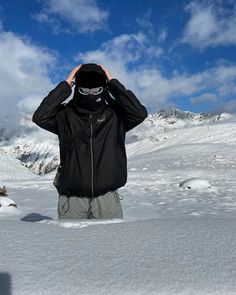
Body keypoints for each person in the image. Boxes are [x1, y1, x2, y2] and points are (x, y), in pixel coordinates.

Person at [32, 63, 148, 219]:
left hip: (107, 198)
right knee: (70, 243)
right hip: (72, 199)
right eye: (85, 90)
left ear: (103, 89)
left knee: (112, 243)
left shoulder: (114, 116)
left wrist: (113, 84)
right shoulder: (65, 115)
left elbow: (139, 113)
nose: (91, 94)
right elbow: (40, 116)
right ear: (77, 89)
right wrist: (66, 85)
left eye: (96, 90)